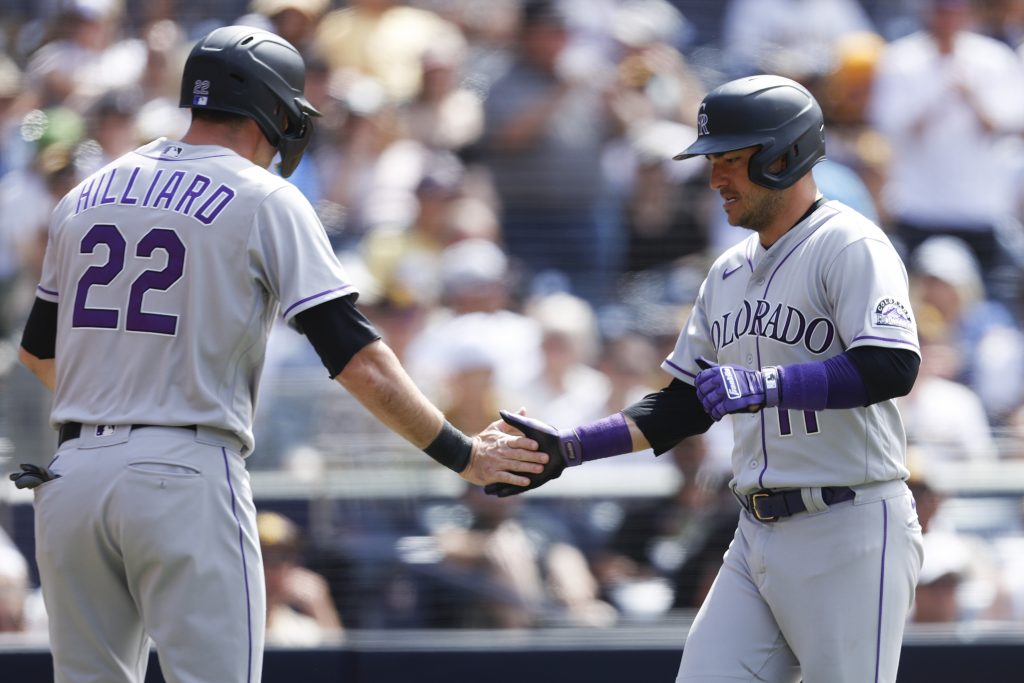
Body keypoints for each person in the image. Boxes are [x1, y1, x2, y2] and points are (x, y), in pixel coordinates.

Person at [12, 25, 546, 683]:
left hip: (73, 476)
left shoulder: (84, 195)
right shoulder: (262, 196)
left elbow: (37, 353)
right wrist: (462, 452)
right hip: (184, 466)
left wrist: (117, 406)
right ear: (271, 106)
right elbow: (360, 360)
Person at [489, 75, 925, 682]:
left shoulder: (850, 243)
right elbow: (683, 405)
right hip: (755, 531)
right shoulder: (726, 272)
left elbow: (892, 364)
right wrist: (572, 448)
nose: (715, 178)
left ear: (784, 156)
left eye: (730, 160)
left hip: (850, 525)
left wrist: (769, 384)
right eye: (711, 161)